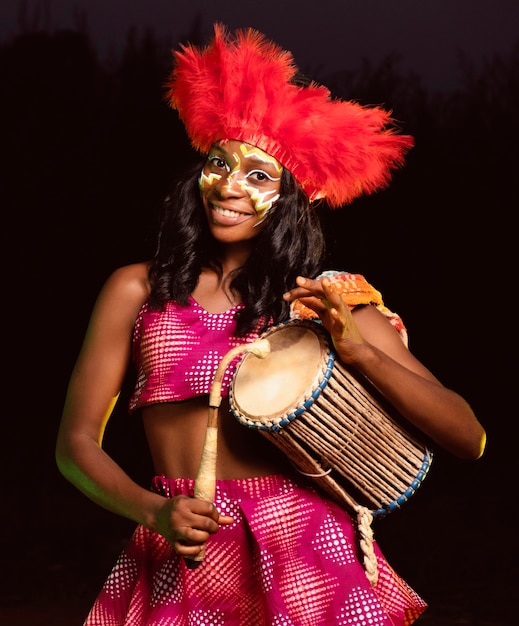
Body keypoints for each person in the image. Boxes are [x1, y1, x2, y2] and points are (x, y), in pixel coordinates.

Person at [56, 24, 486, 626]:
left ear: (290, 198)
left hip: (304, 551)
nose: (229, 186)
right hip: (180, 544)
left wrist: (359, 353)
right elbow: (74, 447)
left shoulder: (324, 301)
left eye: (259, 175)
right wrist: (153, 512)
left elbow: (467, 436)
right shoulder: (136, 289)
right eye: (219, 165)